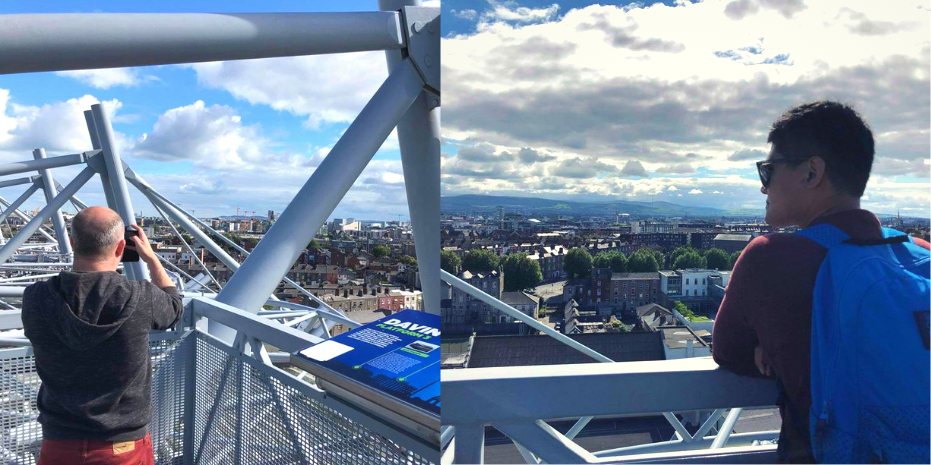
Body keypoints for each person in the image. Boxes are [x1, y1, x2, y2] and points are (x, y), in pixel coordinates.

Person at [712, 100, 930, 463]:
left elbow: (728, 352)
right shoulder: (920, 254)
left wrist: (775, 347)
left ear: (812, 173)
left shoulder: (770, 257)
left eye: (768, 171)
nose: (764, 188)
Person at [22, 206, 183, 465]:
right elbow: (174, 307)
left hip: (59, 441)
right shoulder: (141, 296)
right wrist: (152, 259)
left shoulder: (36, 297)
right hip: (123, 445)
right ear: (121, 248)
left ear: (73, 243)